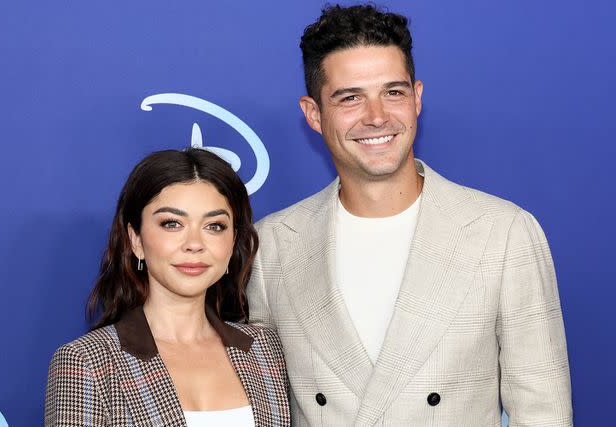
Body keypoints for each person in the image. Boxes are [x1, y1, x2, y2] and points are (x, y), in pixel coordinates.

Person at [247, 4, 572, 426]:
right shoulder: (271, 246)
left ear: (417, 97)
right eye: (350, 98)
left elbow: (542, 410)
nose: (377, 116)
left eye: (393, 92)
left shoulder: (503, 232)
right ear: (313, 114)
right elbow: (265, 406)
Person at [45, 148, 290, 426]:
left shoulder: (266, 350)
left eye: (215, 226)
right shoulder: (87, 363)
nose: (194, 243)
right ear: (135, 239)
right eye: (172, 223)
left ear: (233, 241)